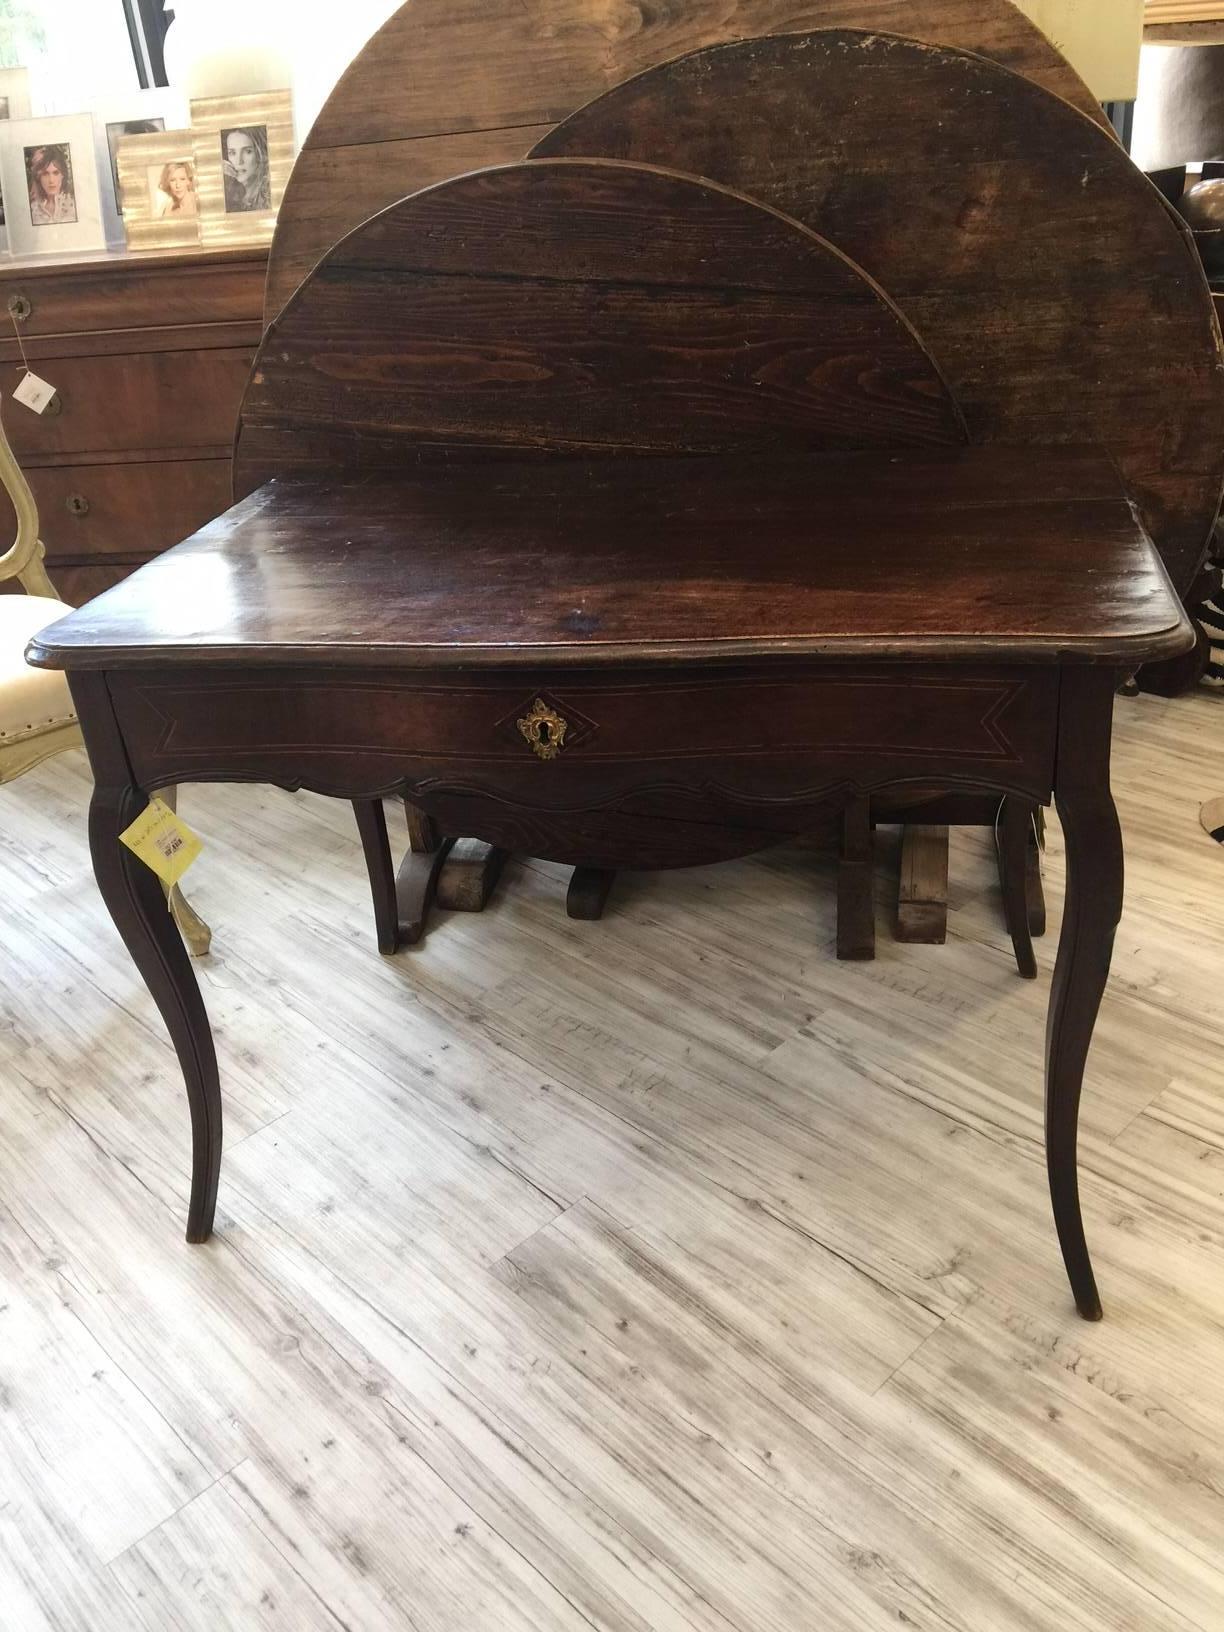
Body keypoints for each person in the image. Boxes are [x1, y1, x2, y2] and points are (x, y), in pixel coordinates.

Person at [221, 126, 270, 213]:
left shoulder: (267, 197)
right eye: (232, 153)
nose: (239, 161)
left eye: (248, 151)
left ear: (261, 153)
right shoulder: (232, 193)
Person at [27, 145, 77, 226]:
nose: (51, 180)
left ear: (62, 175)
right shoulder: (33, 210)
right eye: (45, 174)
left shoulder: (73, 205)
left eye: (56, 173)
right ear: (39, 178)